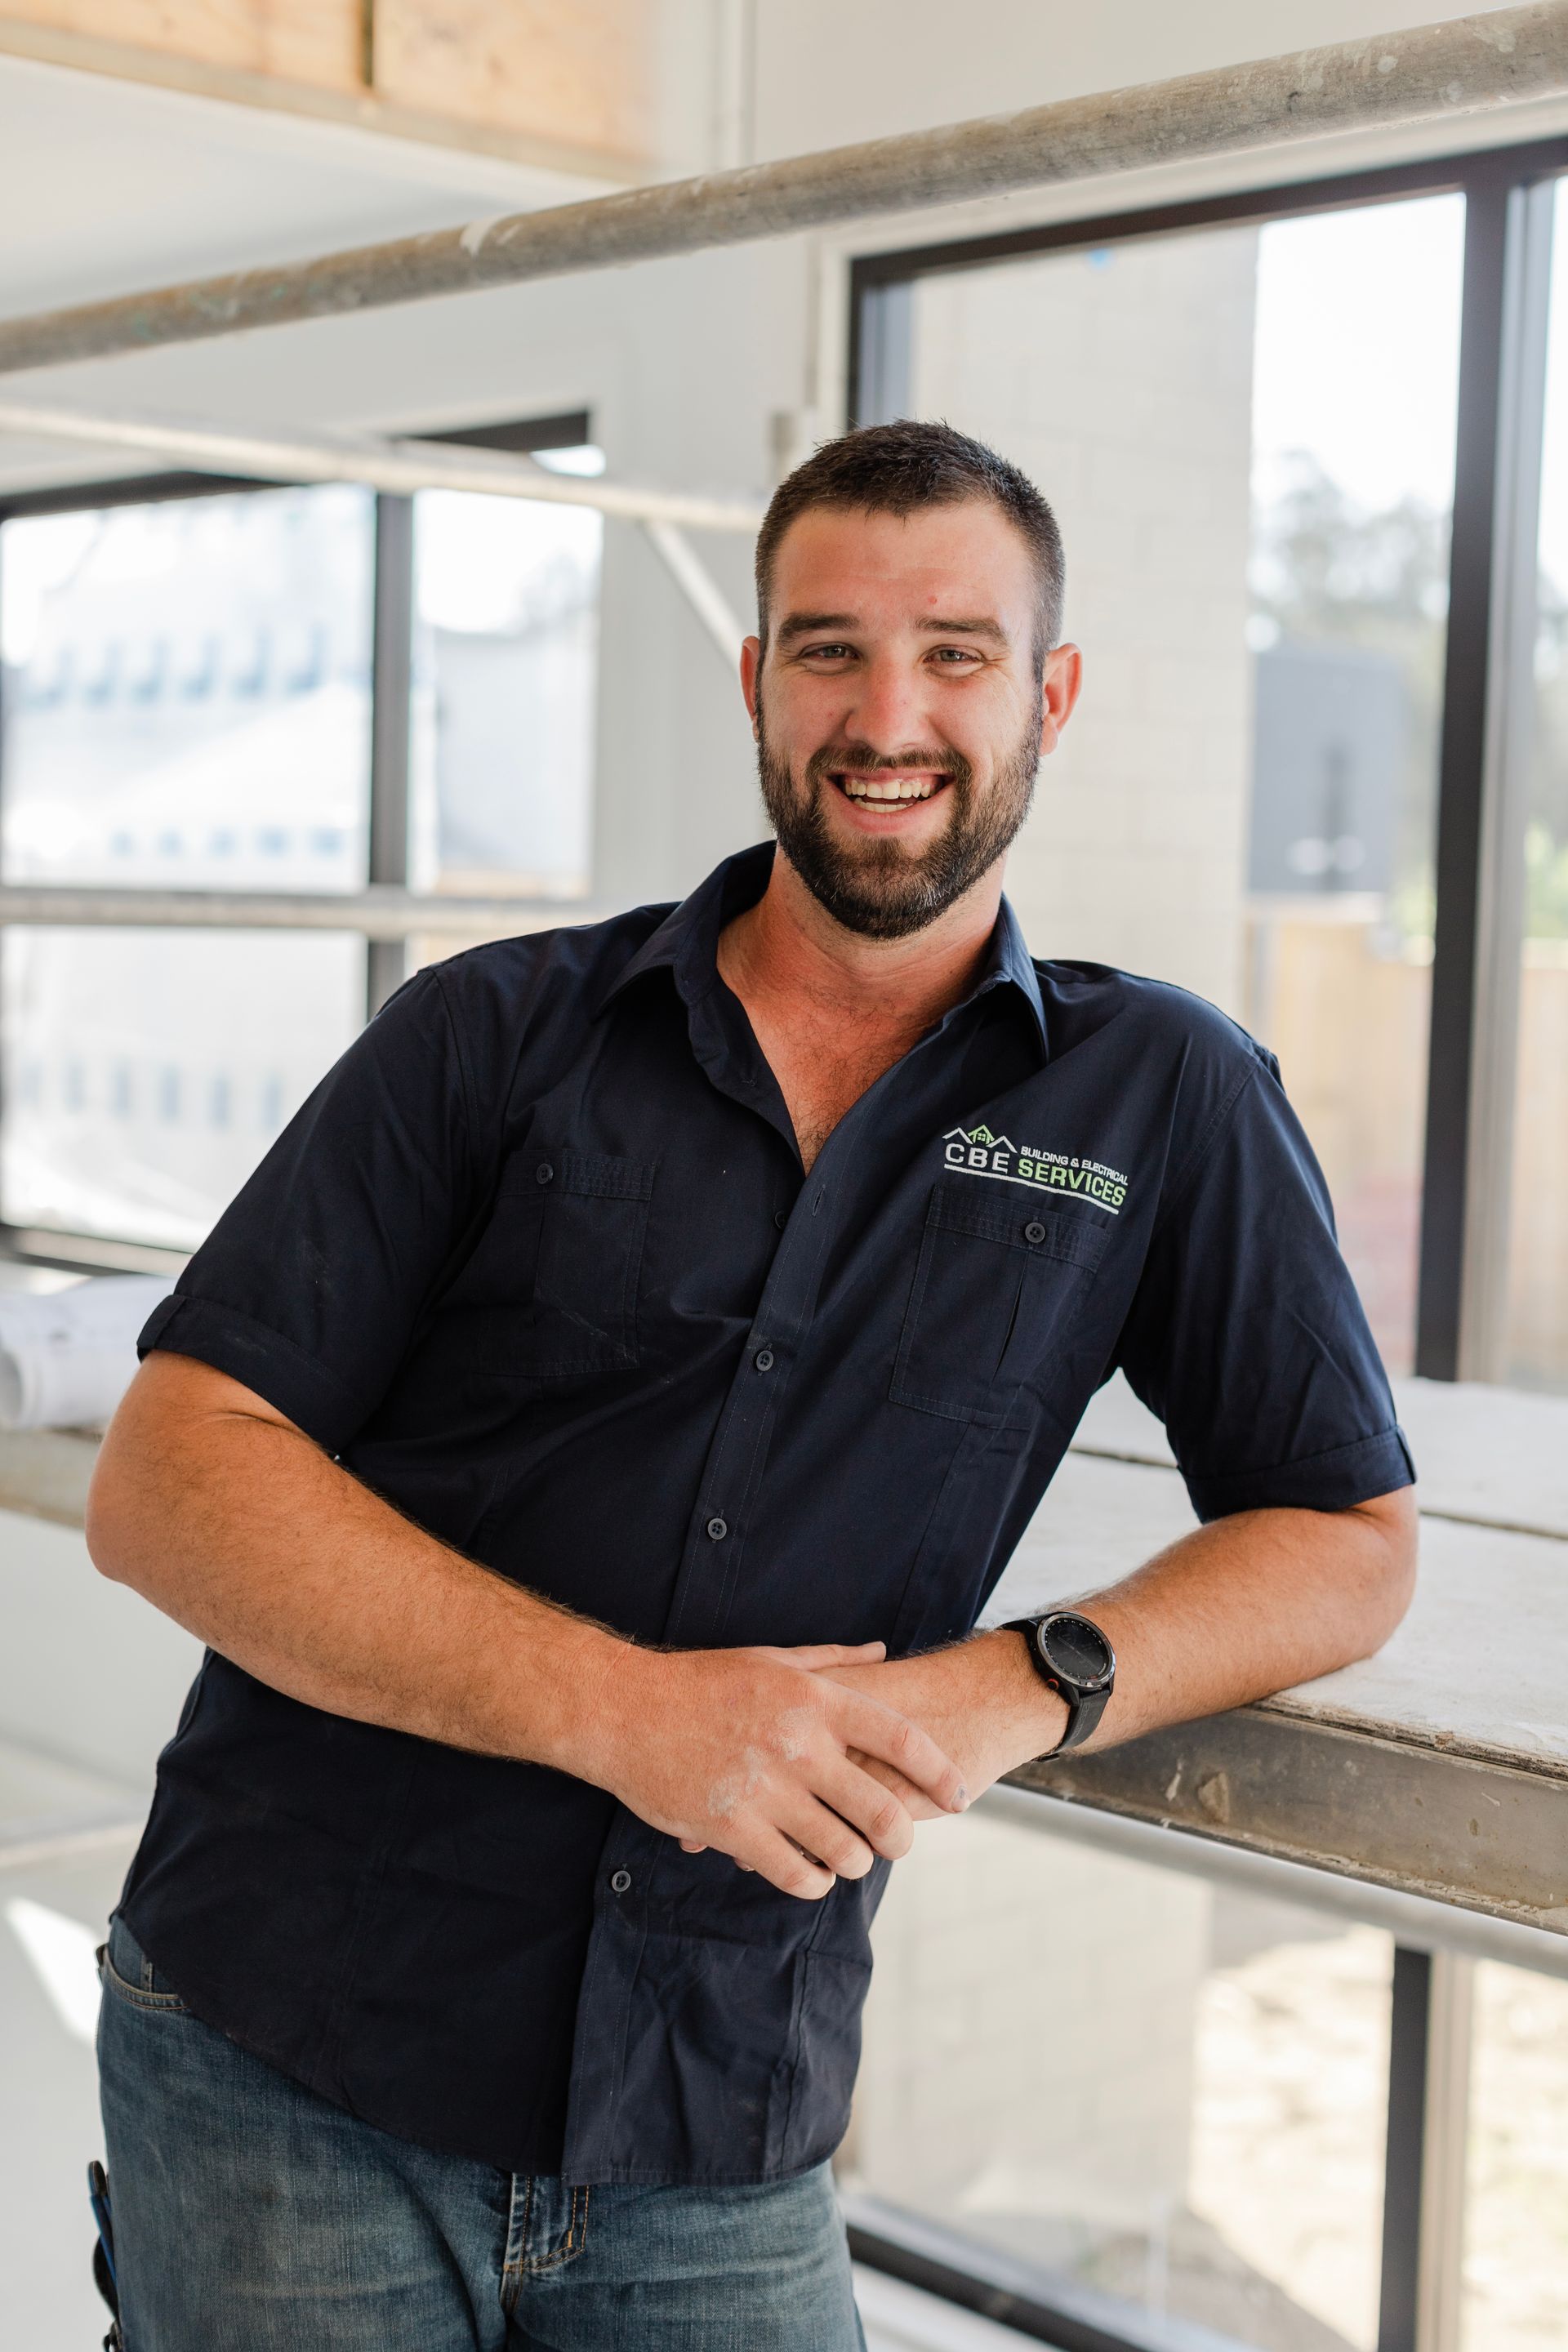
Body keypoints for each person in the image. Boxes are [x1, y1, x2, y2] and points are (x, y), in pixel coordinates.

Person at [86, 421, 1417, 2352]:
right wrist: (628, 1715)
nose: (891, 714)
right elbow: (171, 1477)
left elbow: (1343, 1538)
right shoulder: (493, 1032)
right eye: (830, 650)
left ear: (1049, 694)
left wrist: (1017, 1689)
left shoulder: (1163, 1101)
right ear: (758, 682)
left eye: (958, 652)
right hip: (288, 2056)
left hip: (720, 2108)